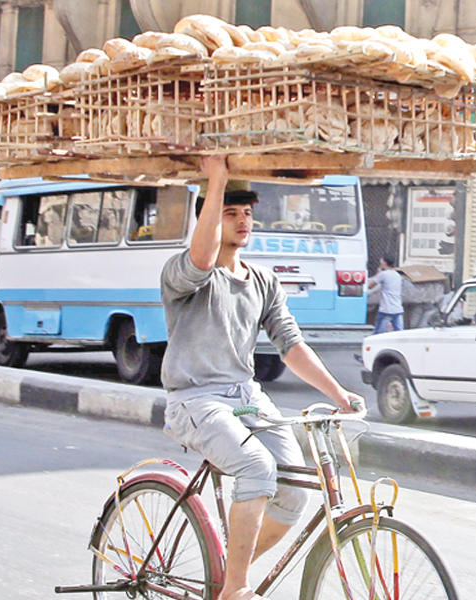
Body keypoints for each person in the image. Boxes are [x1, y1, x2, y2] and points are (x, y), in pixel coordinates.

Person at [160, 156, 363, 600]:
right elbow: (201, 256)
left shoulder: (264, 281)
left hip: (246, 397)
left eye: (247, 213)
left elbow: (291, 345)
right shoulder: (184, 274)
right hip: (195, 400)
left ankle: (223, 570)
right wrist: (216, 178)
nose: (242, 221)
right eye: (230, 213)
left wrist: (339, 393)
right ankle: (235, 589)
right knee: (256, 468)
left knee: (294, 492)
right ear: (209, 219)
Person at [368, 255, 404, 334]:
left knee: (378, 333)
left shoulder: (383, 274)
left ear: (384, 262)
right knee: (400, 332)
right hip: (398, 308)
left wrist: (378, 273)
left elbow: (370, 286)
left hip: (386, 309)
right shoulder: (397, 275)